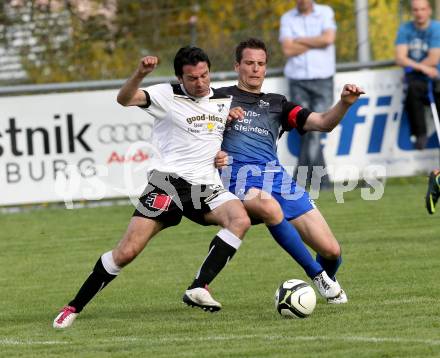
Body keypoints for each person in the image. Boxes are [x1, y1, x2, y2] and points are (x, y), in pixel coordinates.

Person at [52, 46, 251, 329]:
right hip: (167, 183)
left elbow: (213, 137)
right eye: (192, 78)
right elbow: (124, 99)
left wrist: (221, 150)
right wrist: (140, 74)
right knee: (127, 252)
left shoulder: (222, 100)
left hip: (204, 185)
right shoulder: (165, 94)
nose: (200, 82)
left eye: (204, 75)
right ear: (180, 78)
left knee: (239, 218)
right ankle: (73, 306)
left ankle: (199, 287)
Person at [215, 38, 364, 303]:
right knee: (267, 205)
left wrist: (345, 103)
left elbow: (322, 123)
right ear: (237, 65)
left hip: (278, 180)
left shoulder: (277, 103)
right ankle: (317, 276)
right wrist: (219, 124)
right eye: (249, 63)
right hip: (237, 179)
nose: (255, 69)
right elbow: (196, 133)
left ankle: (327, 285)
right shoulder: (219, 99)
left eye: (260, 64)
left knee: (331, 250)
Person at [279, 0, 337, 188]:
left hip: (322, 80)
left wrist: (300, 40)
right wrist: (315, 41)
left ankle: (298, 181)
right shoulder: (287, 18)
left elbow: (328, 39)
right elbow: (288, 49)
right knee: (307, 129)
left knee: (315, 129)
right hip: (298, 80)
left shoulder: (325, 12)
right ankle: (323, 181)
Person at [395, 0, 440, 150]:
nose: (419, 13)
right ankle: (420, 134)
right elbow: (400, 58)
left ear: (429, 10)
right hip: (417, 79)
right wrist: (422, 68)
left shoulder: (436, 28)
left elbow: (434, 58)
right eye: (415, 10)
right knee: (412, 91)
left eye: (422, 9)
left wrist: (413, 66)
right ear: (412, 12)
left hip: (436, 78)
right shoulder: (405, 29)